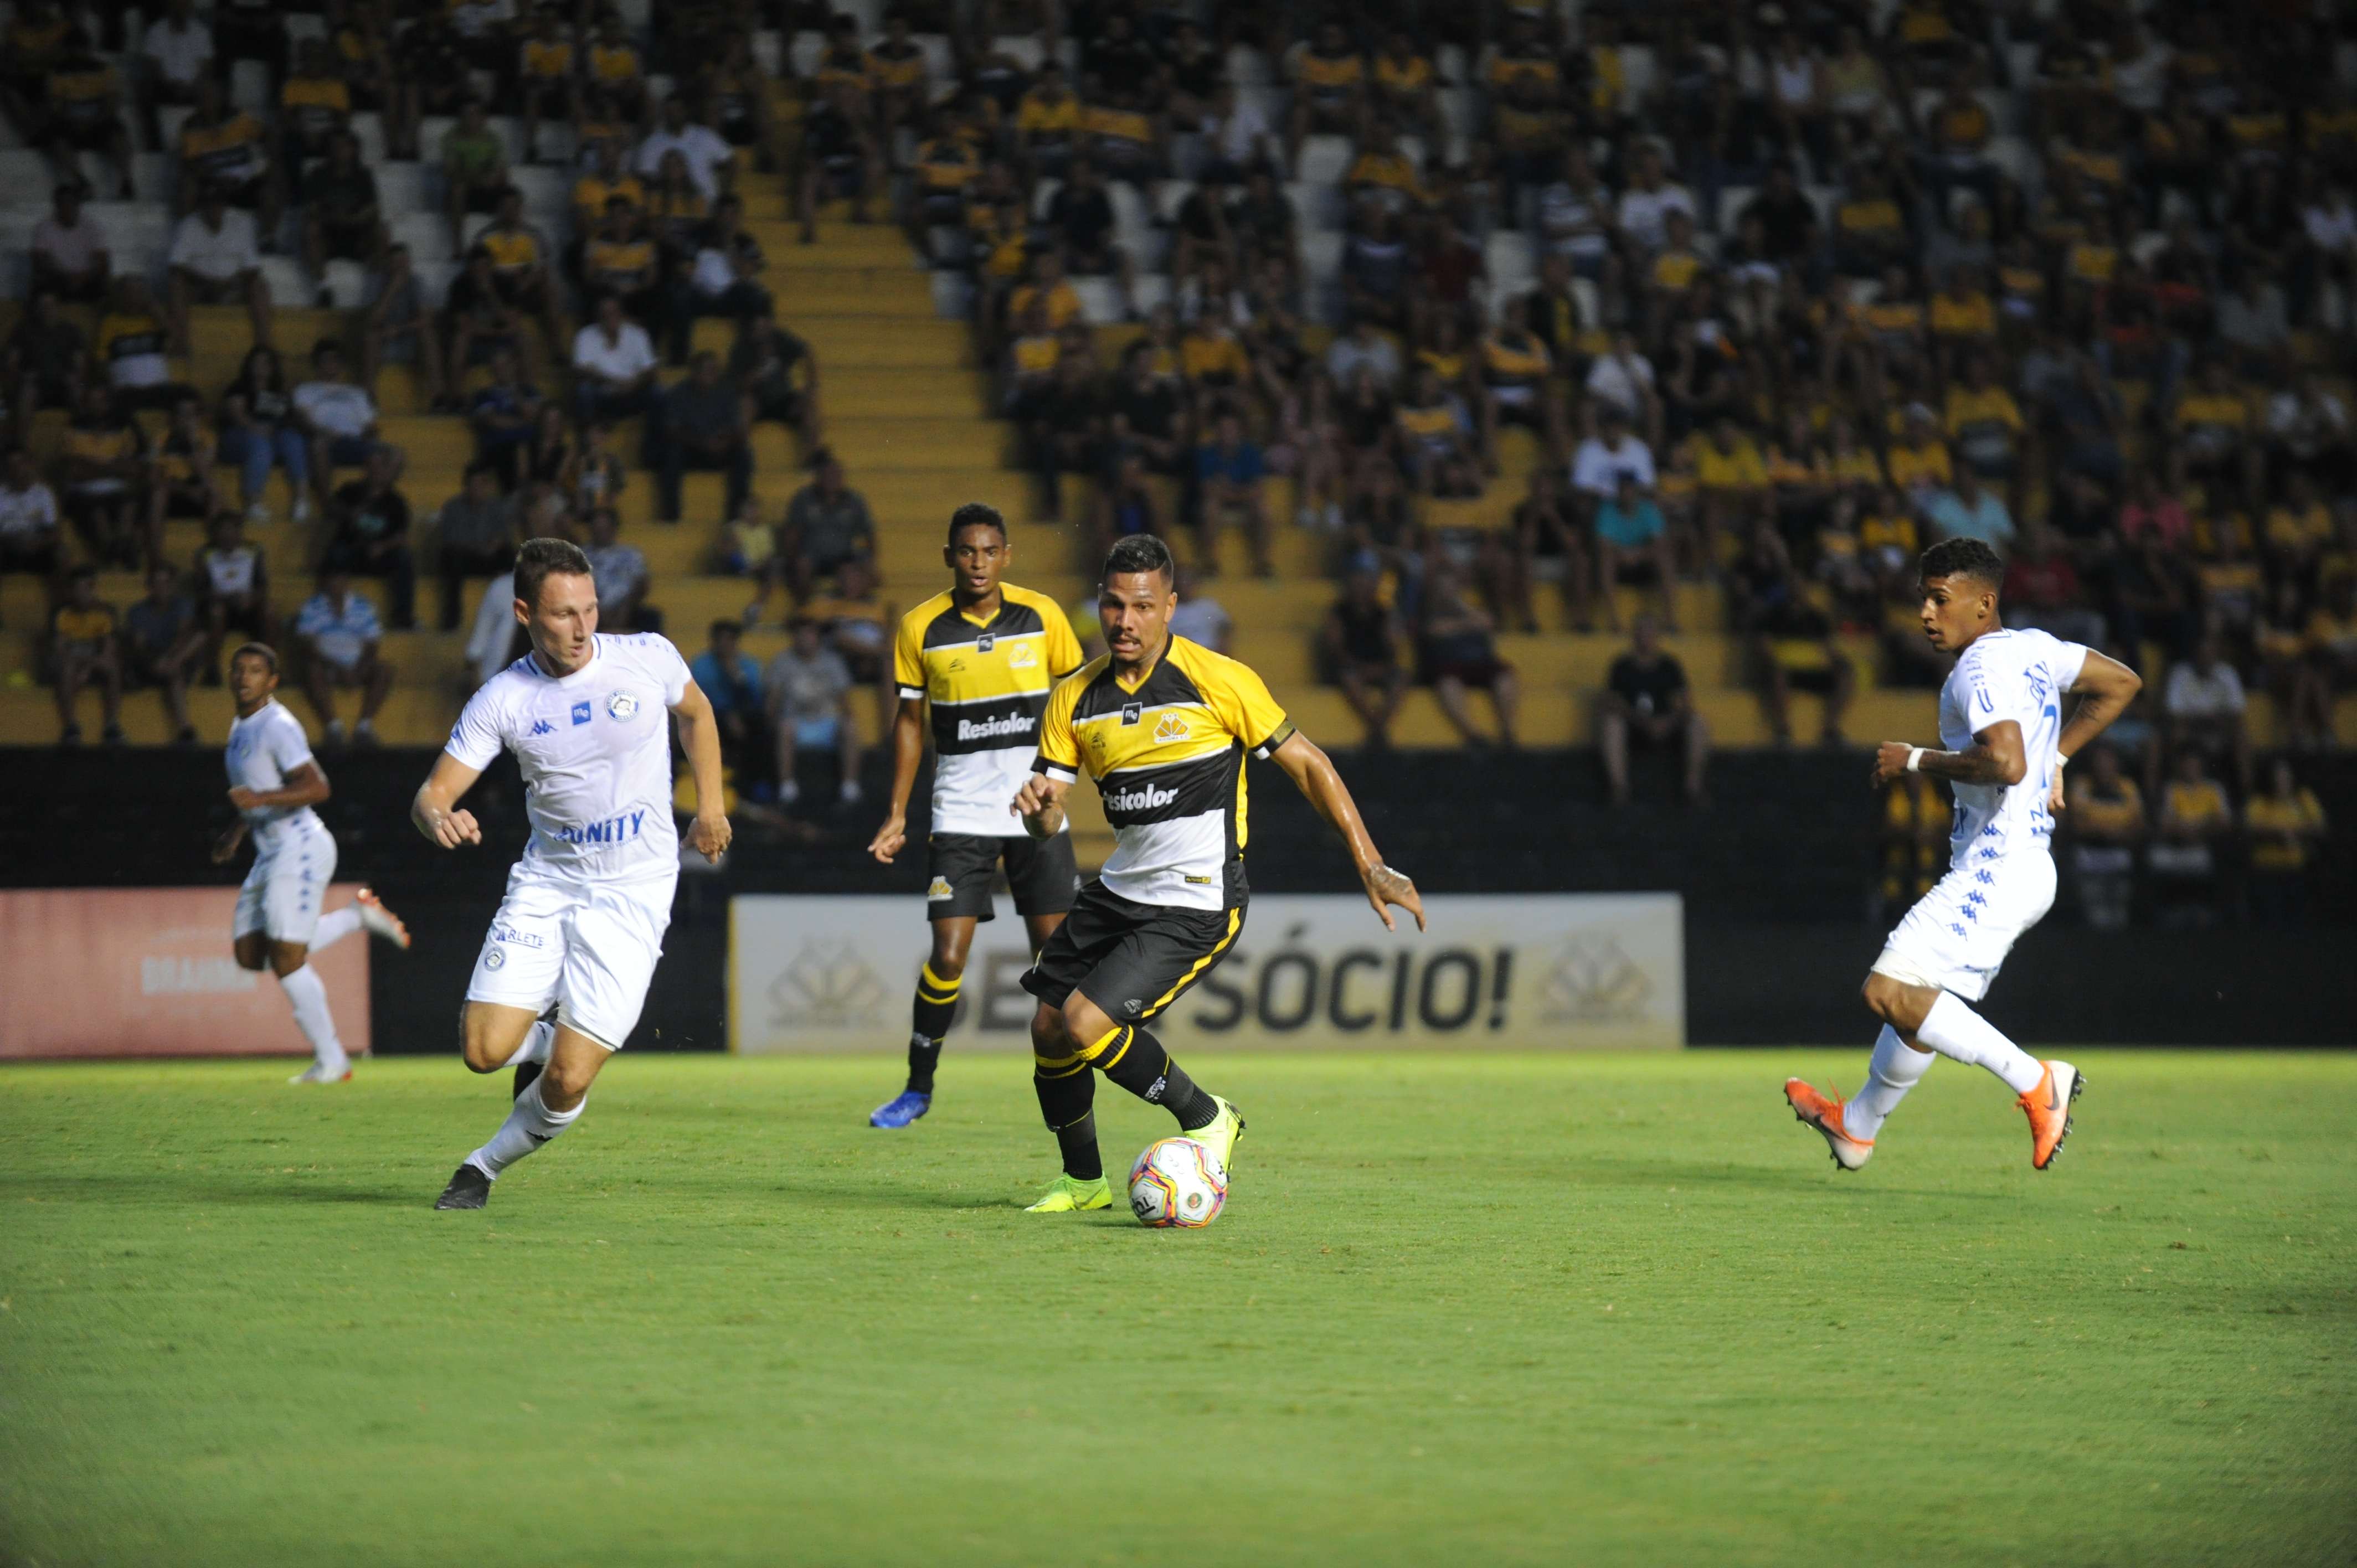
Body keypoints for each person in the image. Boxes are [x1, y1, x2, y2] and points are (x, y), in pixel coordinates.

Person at [1010, 533, 1424, 1213]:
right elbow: (1048, 815)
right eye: (1113, 605)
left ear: (1170, 606)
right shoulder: (1074, 698)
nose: (1125, 620)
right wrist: (1039, 814)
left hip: (1196, 900)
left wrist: (1369, 862)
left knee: (1084, 1023)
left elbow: (1309, 764)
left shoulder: (1218, 679)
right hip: (1118, 890)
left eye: (1142, 606)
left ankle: (1207, 1117)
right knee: (1048, 1029)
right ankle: (1083, 1182)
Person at [1786, 538, 2144, 1174]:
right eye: (1922, 599)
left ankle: (2036, 1081)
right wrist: (2059, 757)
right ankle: (1856, 1128)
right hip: (2017, 864)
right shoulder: (2034, 649)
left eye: (1939, 599)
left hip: (1998, 866)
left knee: (1888, 991)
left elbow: (2005, 764)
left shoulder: (1976, 669)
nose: (1925, 613)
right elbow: (2121, 683)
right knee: (1916, 1003)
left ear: (1983, 603)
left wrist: (1915, 759)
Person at [410, 537, 729, 1210]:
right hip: (548, 883)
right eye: (563, 614)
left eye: (590, 609)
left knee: (566, 1083)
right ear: (525, 613)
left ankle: (481, 1167)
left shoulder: (646, 656)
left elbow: (697, 715)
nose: (582, 628)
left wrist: (710, 807)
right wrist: (439, 817)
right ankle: (552, 1037)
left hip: (634, 891)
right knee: (482, 1052)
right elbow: (432, 794)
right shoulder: (503, 698)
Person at [864, 504, 1086, 1129]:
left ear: (1006, 555)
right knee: (948, 955)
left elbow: (1077, 702)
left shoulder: (1042, 616)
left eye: (990, 551)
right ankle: (917, 1088)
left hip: (1035, 809)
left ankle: (1065, 1092)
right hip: (961, 810)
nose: (978, 563)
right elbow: (910, 723)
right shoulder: (921, 627)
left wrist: (1060, 784)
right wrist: (896, 813)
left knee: (1054, 961)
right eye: (967, 551)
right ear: (949, 557)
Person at [210, 643, 410, 1084]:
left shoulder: (277, 726)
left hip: (299, 847)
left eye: (256, 671)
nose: (244, 677)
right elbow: (257, 790)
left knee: (288, 959)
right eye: (239, 669)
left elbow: (318, 787)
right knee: (251, 955)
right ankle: (355, 917)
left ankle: (332, 1060)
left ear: (272, 682)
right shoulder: (241, 725)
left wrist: (259, 800)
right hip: (270, 852)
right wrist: (237, 831)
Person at [1599, 616, 1708, 806]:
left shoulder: (1670, 666)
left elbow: (1686, 705)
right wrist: (1643, 722)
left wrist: (1667, 722)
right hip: (1634, 726)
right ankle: (1619, 788)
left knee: (1698, 723)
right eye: (1641, 631)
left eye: (1650, 631)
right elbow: (1612, 703)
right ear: (1634, 635)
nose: (1645, 636)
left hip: (1667, 726)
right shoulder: (1621, 666)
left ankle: (1693, 788)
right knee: (1611, 724)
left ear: (1657, 635)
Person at [1419, 560, 1520, 748]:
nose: (1446, 591)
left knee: (1505, 676)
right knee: (1448, 683)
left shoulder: (1469, 607)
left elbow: (1488, 622)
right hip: (1449, 666)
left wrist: (1460, 605)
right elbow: (1436, 630)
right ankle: (1473, 734)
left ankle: (1508, 732)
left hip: (1481, 663)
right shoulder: (1428, 611)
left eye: (1451, 586)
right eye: (1442, 587)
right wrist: (1469, 624)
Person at [166, 183, 274, 359]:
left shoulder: (241, 223)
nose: (214, 209)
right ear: (202, 206)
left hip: (233, 289)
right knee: (176, 285)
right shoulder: (189, 225)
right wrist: (208, 282)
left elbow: (253, 269)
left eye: (218, 203)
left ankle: (264, 346)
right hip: (200, 289)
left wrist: (229, 283)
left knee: (260, 286)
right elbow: (175, 266)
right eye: (209, 204)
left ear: (225, 205)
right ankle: (181, 343)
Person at [765, 614, 860, 807]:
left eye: (809, 634)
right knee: (784, 727)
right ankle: (787, 787)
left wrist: (848, 719)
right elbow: (773, 699)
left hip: (827, 724)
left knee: (849, 727)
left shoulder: (833, 662)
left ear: (817, 637)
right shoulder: (782, 662)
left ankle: (849, 786)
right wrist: (771, 724)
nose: (804, 639)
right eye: (800, 634)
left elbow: (845, 701)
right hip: (796, 724)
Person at [292, 571, 395, 746]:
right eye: (332, 579)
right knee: (312, 670)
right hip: (327, 666)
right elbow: (307, 646)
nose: (336, 584)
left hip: (357, 666)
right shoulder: (312, 607)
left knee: (385, 669)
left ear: (347, 581)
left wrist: (358, 668)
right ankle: (333, 728)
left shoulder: (363, 606)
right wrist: (337, 667)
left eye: (340, 579)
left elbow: (372, 644)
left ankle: (364, 727)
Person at [323, 446, 415, 630]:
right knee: (336, 554)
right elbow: (331, 509)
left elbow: (401, 536)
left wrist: (383, 546)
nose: (377, 471)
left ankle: (403, 619)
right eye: (373, 466)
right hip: (351, 551)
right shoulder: (351, 490)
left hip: (379, 556)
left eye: (381, 467)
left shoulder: (396, 501)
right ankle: (325, 612)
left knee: (404, 558)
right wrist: (350, 513)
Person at [656, 351, 752, 524]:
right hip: (692, 449)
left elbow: (737, 429)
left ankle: (736, 516)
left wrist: (724, 442)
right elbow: (672, 430)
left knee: (743, 455)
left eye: (715, 370)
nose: (712, 374)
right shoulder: (679, 393)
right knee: (671, 454)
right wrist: (702, 443)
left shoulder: (727, 392)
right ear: (694, 372)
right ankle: (671, 515)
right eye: (707, 370)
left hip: (720, 448)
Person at [1321, 566, 1406, 749]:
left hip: (1380, 666)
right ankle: (1377, 725)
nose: (1362, 588)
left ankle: (1379, 725)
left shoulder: (1384, 612)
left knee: (1400, 678)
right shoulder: (1339, 612)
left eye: (1367, 583)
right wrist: (1359, 666)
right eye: (1358, 583)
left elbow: (1393, 646)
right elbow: (1335, 647)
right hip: (1351, 666)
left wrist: (1380, 666)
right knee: (1348, 677)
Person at [121, 565, 205, 742]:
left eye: (166, 583)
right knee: (172, 672)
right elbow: (139, 647)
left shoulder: (183, 605)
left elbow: (183, 634)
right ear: (149, 587)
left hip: (175, 660)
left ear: (172, 585)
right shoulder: (137, 612)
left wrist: (170, 660)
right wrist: (156, 662)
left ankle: (185, 730)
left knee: (198, 638)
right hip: (149, 664)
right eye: (156, 583)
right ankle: (186, 729)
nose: (161, 588)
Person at [779, 450, 875, 603]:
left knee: (864, 565)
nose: (832, 479)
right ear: (818, 477)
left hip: (843, 556)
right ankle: (804, 607)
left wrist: (869, 558)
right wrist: (792, 558)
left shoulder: (854, 501)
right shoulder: (804, 499)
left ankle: (860, 608)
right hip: (812, 556)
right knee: (802, 565)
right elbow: (792, 532)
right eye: (828, 475)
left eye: (836, 476)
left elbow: (869, 534)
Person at [434, 462, 517, 631]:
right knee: (450, 558)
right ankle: (451, 619)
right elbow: (451, 539)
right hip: (465, 558)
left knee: (512, 557)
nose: (477, 489)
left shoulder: (496, 507)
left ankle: (514, 615)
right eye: (474, 484)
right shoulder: (453, 507)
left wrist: (495, 544)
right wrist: (477, 548)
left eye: (481, 485)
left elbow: (504, 536)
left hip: (489, 558)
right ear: (466, 486)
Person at [2243, 757, 2327, 925]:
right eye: (2278, 776)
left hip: (2297, 868)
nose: (2282, 780)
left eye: (2285, 775)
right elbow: (2251, 827)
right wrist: (2279, 834)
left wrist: (2293, 832)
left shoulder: (2303, 797)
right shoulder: (2260, 801)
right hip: (2267, 869)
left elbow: (2320, 826)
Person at [50, 565, 124, 745]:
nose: (82, 594)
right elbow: (60, 649)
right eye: (77, 589)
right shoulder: (62, 613)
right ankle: (71, 727)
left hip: (94, 660)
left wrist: (87, 669)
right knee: (67, 668)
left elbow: (108, 649)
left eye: (86, 588)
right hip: (72, 660)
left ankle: (112, 726)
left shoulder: (106, 612)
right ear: (71, 591)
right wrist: (79, 664)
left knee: (113, 668)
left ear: (93, 589)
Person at [689, 618, 765, 783]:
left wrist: (736, 675)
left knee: (760, 727)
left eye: (729, 639)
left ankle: (755, 783)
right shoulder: (701, 665)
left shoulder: (749, 665)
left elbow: (755, 698)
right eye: (720, 639)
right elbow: (698, 698)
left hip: (744, 716)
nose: (724, 644)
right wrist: (727, 714)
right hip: (712, 715)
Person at [31, 182, 110, 303]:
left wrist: (83, 277)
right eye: (62, 203)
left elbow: (103, 261)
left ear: (78, 205)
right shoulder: (44, 228)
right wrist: (66, 277)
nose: (67, 207)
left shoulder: (92, 227)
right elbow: (39, 261)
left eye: (70, 203)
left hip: (87, 279)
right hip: (58, 279)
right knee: (41, 284)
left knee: (103, 284)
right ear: (56, 205)